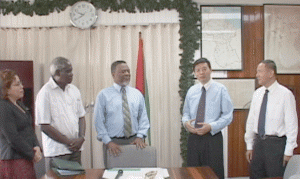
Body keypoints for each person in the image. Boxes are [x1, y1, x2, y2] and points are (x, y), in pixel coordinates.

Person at [245, 60, 298, 179]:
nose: (257, 75)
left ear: (271, 73)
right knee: (255, 175)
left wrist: (289, 151)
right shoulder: (257, 94)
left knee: (274, 176)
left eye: (260, 71)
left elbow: (291, 124)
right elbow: (251, 120)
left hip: (276, 145)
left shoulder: (286, 94)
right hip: (258, 143)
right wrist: (249, 145)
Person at [182, 58, 233, 179]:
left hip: (212, 138)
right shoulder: (191, 91)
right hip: (194, 138)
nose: (201, 72)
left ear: (211, 70)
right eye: (198, 70)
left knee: (213, 173)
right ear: (194, 73)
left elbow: (228, 115)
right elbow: (185, 113)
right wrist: (186, 123)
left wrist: (211, 126)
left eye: (204, 69)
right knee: (193, 172)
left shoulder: (221, 89)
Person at [35, 57, 86, 172]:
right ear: (57, 73)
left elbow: (81, 116)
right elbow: (44, 125)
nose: (71, 74)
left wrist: (82, 137)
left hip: (75, 149)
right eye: (68, 71)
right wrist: (68, 142)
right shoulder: (45, 93)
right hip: (56, 151)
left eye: (71, 70)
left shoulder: (74, 90)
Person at [94, 60, 150, 162]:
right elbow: (98, 122)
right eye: (123, 71)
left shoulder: (137, 94)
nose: (127, 74)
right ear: (113, 74)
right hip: (113, 143)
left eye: (128, 71)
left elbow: (143, 118)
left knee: (135, 174)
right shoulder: (103, 95)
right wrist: (108, 142)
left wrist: (140, 136)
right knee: (113, 175)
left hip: (134, 142)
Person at [0, 69, 42, 179]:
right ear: (6, 89)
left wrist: (37, 146)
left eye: (21, 83)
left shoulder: (19, 104)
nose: (21, 87)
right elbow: (12, 137)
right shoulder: (3, 107)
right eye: (17, 84)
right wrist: (32, 154)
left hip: (25, 158)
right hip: (13, 161)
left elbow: (29, 128)